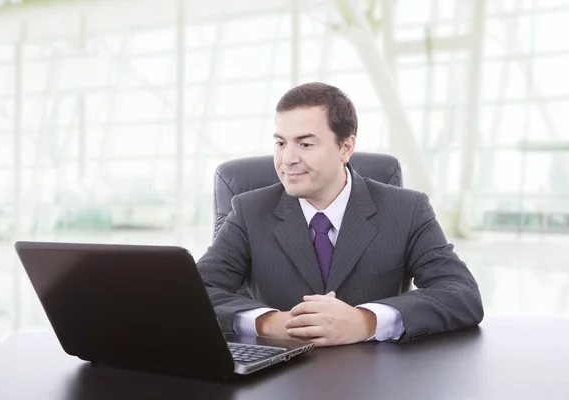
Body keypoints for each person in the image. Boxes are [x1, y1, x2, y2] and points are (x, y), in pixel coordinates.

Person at [197, 82, 483, 346]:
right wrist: (269, 322)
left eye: (305, 144)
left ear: (345, 147)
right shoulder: (249, 210)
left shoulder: (407, 209)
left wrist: (367, 321)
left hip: (378, 377)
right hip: (279, 376)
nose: (288, 159)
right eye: (281, 143)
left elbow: (461, 294)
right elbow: (196, 293)